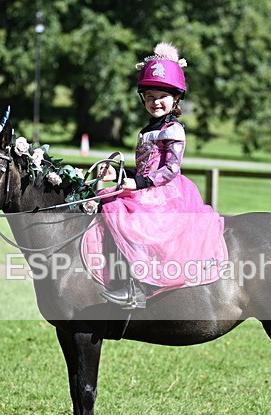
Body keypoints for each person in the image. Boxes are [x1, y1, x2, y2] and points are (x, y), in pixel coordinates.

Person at [96, 42, 227, 309]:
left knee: (127, 217)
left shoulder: (173, 129)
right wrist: (120, 173)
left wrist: (139, 182)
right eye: (150, 97)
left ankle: (139, 287)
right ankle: (110, 275)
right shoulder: (147, 130)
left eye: (162, 96)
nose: (156, 102)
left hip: (166, 191)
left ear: (175, 99)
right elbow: (145, 167)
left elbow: (170, 169)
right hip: (148, 185)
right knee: (106, 202)